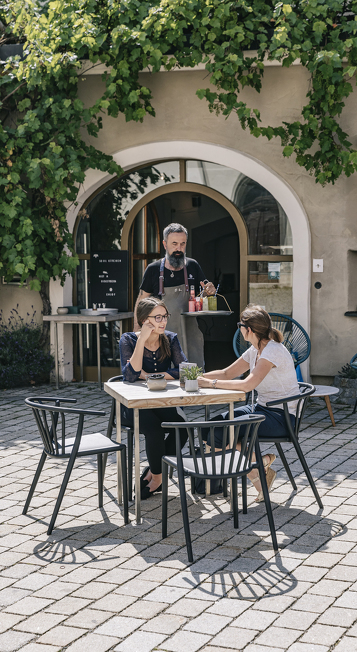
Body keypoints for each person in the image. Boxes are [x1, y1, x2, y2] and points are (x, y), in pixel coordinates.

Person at [197, 304, 300, 502]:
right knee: (208, 430)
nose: (239, 329)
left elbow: (246, 385)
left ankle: (259, 470)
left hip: (281, 418)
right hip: (263, 409)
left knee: (217, 434)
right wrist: (195, 377)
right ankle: (260, 467)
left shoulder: (272, 351)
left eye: (240, 325)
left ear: (248, 329)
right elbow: (228, 373)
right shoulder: (256, 350)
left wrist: (210, 383)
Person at [119, 297, 188, 500]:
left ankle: (153, 467)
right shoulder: (129, 340)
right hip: (134, 405)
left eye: (164, 316)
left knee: (182, 428)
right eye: (157, 317)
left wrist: (149, 376)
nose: (163, 321)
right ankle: (157, 478)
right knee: (155, 430)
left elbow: (184, 370)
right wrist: (142, 340)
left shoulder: (170, 338)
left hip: (160, 402)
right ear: (143, 320)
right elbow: (131, 375)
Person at [134, 223, 216, 369]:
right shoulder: (153, 270)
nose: (179, 249)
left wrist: (208, 292)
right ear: (165, 244)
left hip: (190, 332)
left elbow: (202, 295)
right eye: (174, 244)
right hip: (161, 333)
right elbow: (141, 301)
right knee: (165, 372)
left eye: (182, 244)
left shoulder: (193, 265)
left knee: (193, 373)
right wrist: (137, 331)